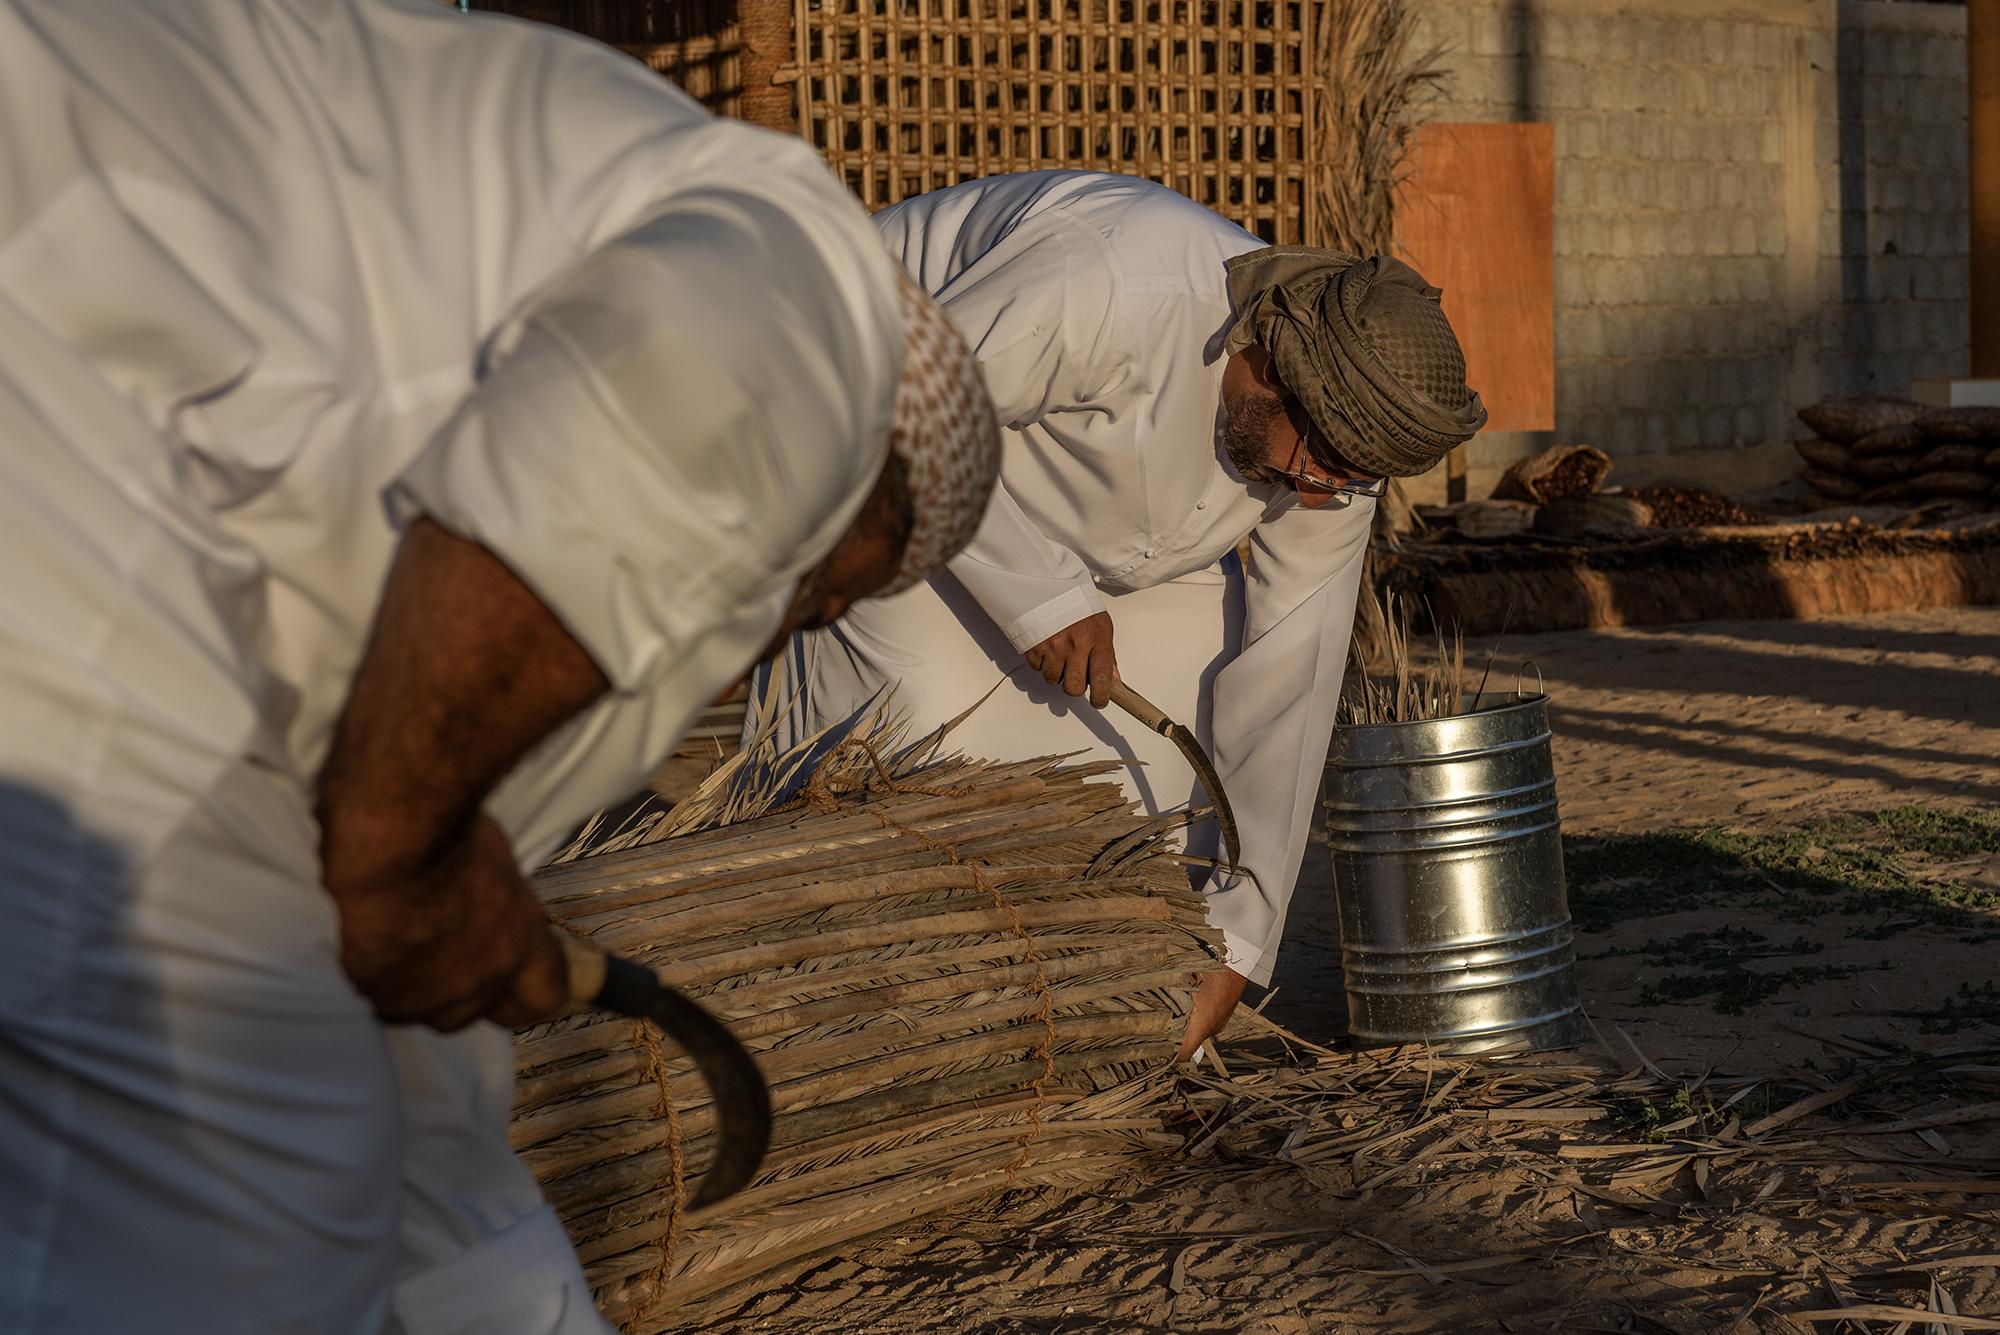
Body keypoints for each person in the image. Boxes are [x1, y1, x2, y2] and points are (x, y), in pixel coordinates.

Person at [0, 3, 999, 1333]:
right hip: (51, 392)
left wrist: (448, 923)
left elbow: (382, 955)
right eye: (830, 591)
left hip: (105, 450)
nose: (789, 623)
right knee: (246, 1176)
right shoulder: (818, 296)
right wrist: (405, 863)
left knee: (400, 1161)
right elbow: (672, 400)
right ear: (875, 479)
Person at [759, 170, 1486, 1059]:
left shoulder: (1339, 452)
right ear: (1267, 363)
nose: (1322, 492)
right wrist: (1039, 595)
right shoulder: (1109, 279)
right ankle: (869, 1024)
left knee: (1155, 783)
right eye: (1320, 459)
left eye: (1350, 476)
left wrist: (1235, 951)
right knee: (914, 741)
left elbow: (1290, 681)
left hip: (1095, 525)